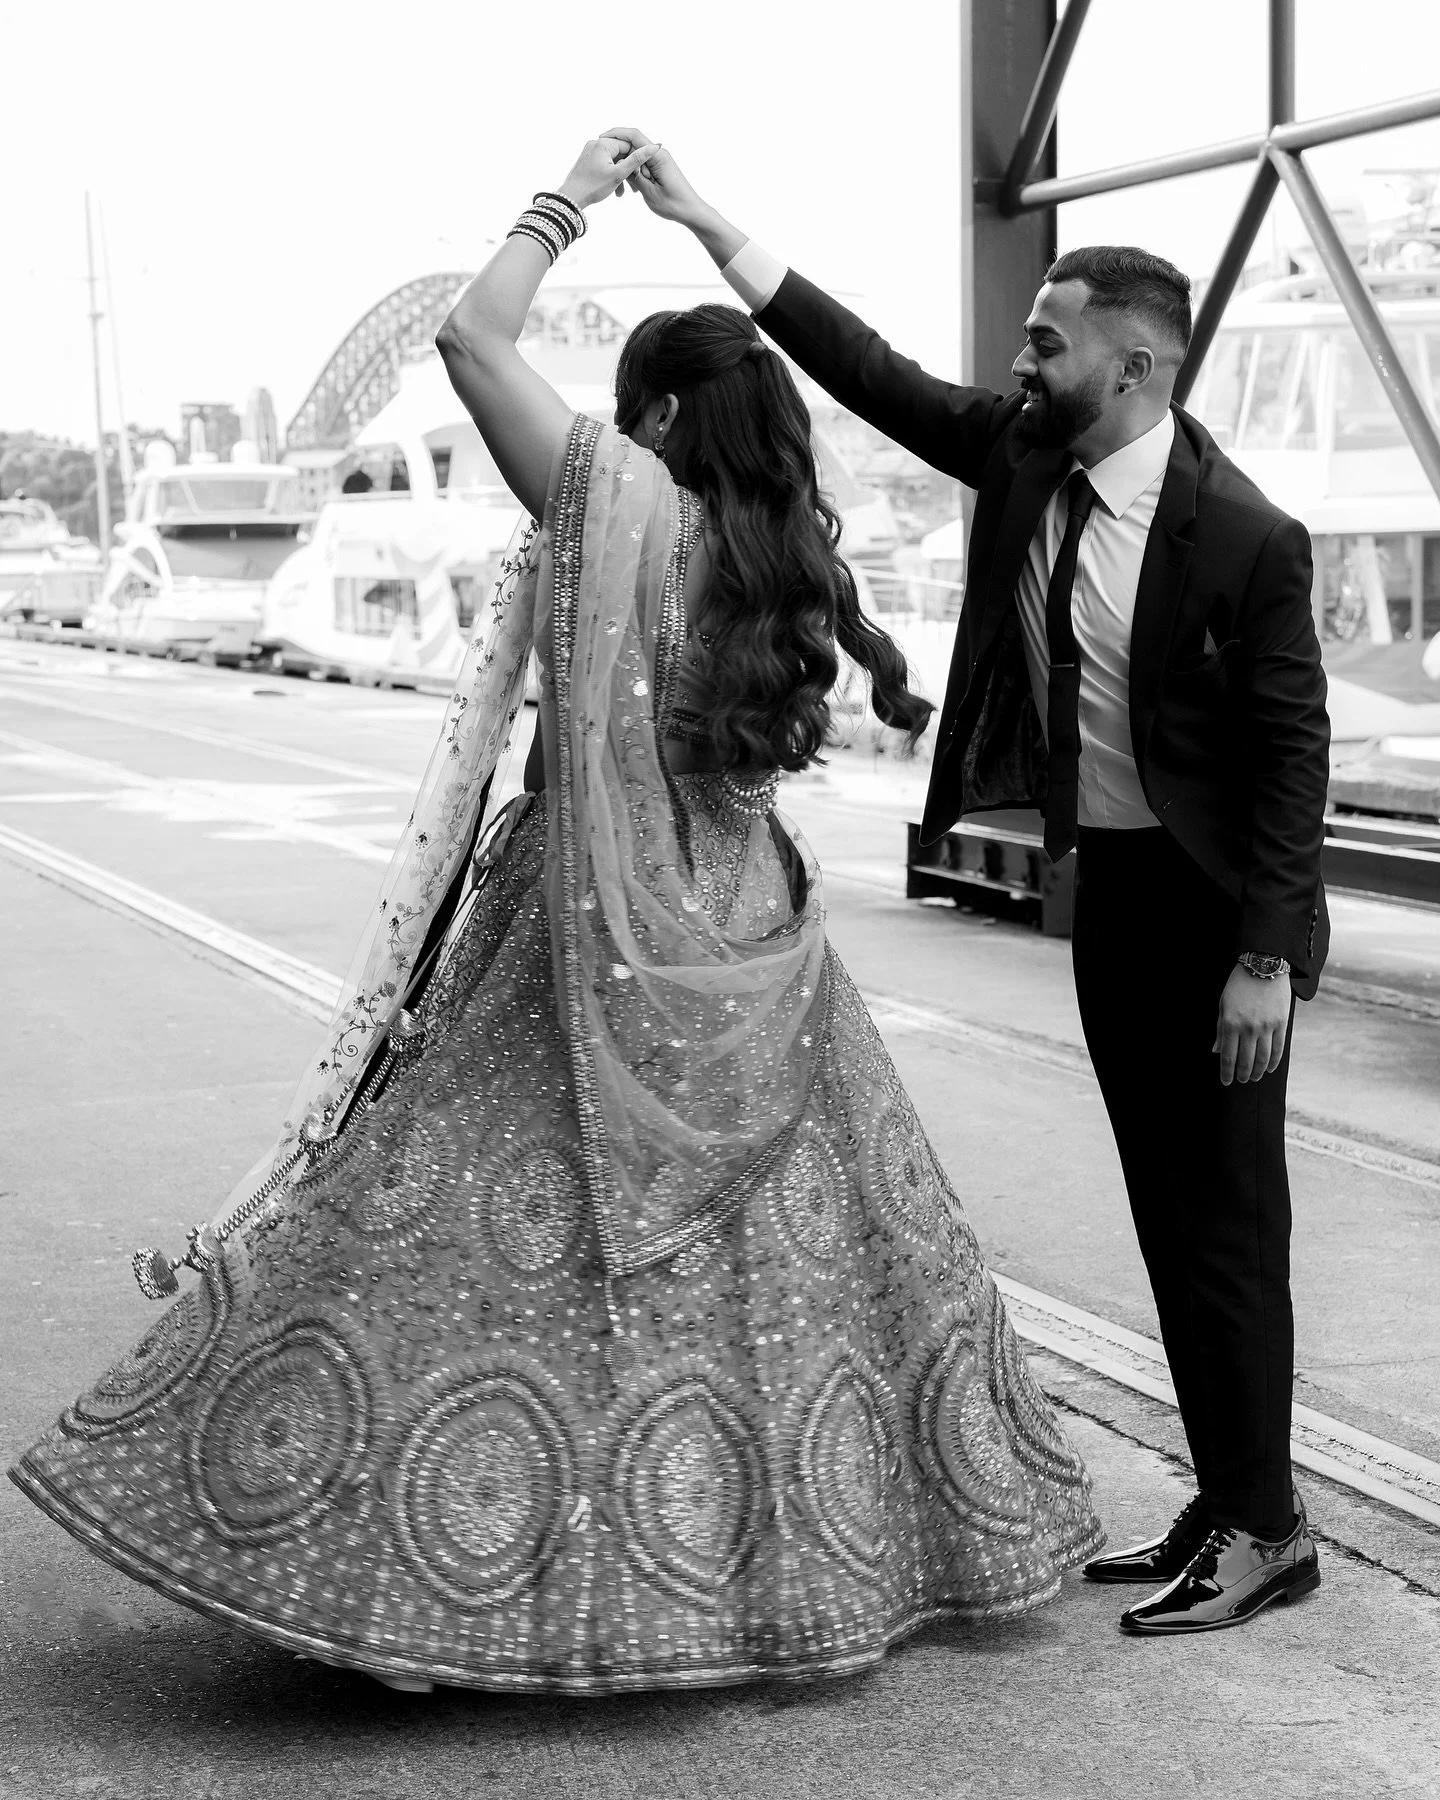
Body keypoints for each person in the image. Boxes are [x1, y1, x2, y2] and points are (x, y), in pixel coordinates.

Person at [11, 134, 1100, 1695]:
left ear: (650, 418)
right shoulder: (779, 555)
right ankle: (783, 1571)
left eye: (619, 415)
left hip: (582, 922)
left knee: (460, 1235)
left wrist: (567, 199)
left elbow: (467, 335)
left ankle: (422, 1580)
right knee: (771, 1266)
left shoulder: (625, 503)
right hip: (747, 925)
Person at [616, 134, 1329, 1637]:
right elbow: (866, 368)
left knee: (1228, 1222)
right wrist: (703, 220)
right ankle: (1233, 1488)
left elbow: (1290, 758)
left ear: (1132, 370)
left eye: (1046, 341)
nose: (1019, 356)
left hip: (1217, 928)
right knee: (1162, 1209)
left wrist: (1265, 959)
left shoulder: (1249, 538)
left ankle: (1272, 1533)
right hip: (1113, 896)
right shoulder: (1023, 452)